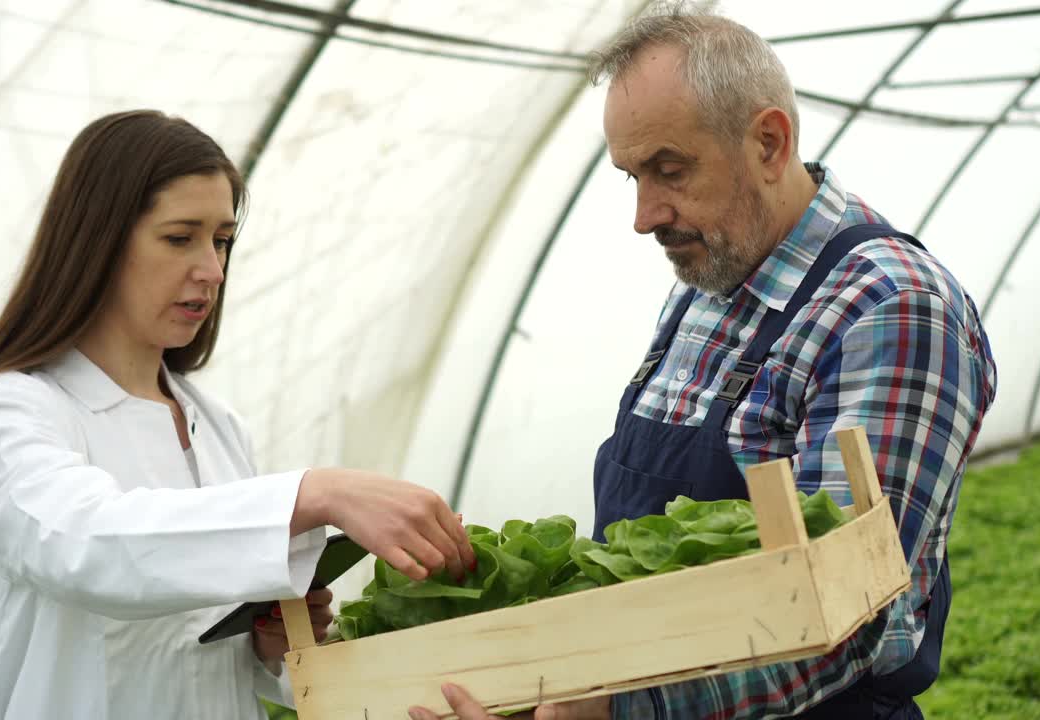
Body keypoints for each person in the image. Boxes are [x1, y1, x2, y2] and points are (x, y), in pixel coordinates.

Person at [410, 4, 996, 720]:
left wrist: (616, 709)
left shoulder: (892, 308)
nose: (645, 214)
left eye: (669, 169)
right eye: (632, 177)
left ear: (770, 142)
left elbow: (847, 618)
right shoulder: (711, 278)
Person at [0, 109, 476, 720]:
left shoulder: (219, 425)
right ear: (97, 240)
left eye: (222, 240)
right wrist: (315, 493)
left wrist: (267, 644)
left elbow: (207, 660)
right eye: (181, 238)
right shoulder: (6, 413)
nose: (212, 269)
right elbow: (86, 545)